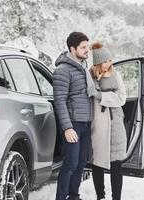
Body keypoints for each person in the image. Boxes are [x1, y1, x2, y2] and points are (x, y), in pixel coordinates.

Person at [53, 32, 95, 200]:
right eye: (83, 47)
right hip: (73, 124)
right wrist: (67, 128)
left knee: (80, 165)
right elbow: (60, 101)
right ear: (72, 49)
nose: (87, 51)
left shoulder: (83, 69)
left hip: (86, 123)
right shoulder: (63, 71)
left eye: (87, 47)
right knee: (70, 164)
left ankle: (74, 197)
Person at [90, 41, 127, 200]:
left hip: (115, 122)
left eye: (109, 60)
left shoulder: (116, 75)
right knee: (97, 163)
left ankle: (116, 197)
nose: (108, 64)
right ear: (98, 62)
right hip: (98, 123)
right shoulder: (90, 76)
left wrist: (102, 96)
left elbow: (122, 98)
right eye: (105, 61)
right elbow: (89, 94)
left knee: (116, 165)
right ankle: (101, 196)